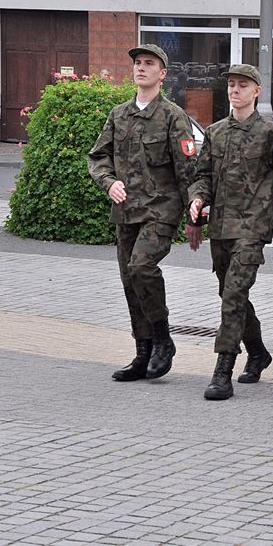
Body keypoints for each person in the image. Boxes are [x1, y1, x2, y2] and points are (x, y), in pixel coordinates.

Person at [188, 64, 273, 401]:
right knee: (231, 295)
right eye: (231, 84)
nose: (235, 90)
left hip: (253, 227)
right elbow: (202, 176)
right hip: (221, 227)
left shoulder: (270, 134)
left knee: (233, 295)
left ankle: (223, 369)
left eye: (242, 85)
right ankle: (258, 352)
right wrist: (197, 201)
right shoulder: (216, 132)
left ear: (256, 91)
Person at [88, 44, 199, 383]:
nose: (141, 68)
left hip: (161, 210)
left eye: (149, 63)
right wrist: (108, 183)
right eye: (138, 63)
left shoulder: (173, 117)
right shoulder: (119, 114)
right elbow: (98, 157)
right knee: (130, 280)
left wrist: (196, 216)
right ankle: (143, 352)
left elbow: (188, 169)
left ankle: (163, 340)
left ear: (162, 74)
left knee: (141, 267)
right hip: (126, 212)